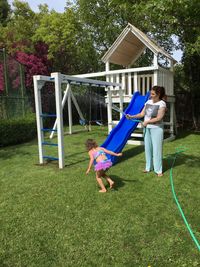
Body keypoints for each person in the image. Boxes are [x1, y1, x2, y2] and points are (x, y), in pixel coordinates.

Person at [126, 86, 167, 177]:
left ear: (158, 95)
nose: (151, 96)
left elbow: (159, 118)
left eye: (153, 94)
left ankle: (158, 170)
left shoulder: (162, 104)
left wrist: (147, 121)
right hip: (147, 128)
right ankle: (148, 167)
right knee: (147, 148)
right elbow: (142, 114)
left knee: (157, 150)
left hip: (156, 128)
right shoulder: (148, 102)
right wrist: (131, 116)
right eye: (150, 94)